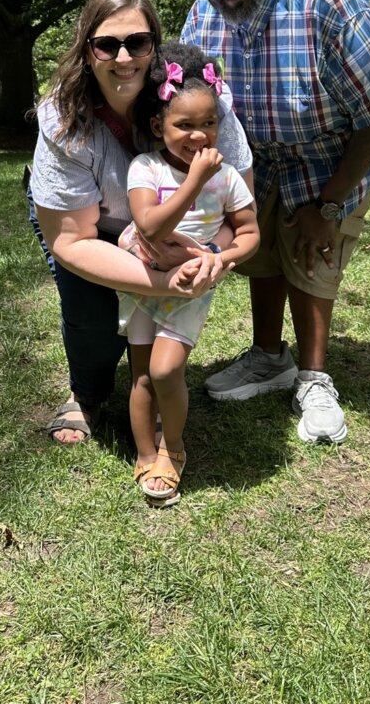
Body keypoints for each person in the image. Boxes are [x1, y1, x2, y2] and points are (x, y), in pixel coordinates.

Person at [181, 0, 370, 444]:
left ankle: (314, 378)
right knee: (261, 251)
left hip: (331, 151)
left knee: (313, 257)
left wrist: (330, 205)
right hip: (256, 154)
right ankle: (269, 357)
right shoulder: (203, 11)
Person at [29, 0, 254, 445]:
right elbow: (71, 240)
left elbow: (240, 205)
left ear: (155, 45)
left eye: (137, 42)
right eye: (106, 45)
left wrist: (210, 255)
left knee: (152, 324)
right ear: (87, 51)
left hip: (182, 236)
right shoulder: (63, 118)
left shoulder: (200, 101)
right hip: (92, 227)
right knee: (93, 316)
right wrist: (163, 282)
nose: (123, 57)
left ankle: (151, 395)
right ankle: (86, 393)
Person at [117, 42, 260, 505]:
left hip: (191, 285)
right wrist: (195, 181)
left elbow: (250, 233)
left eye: (209, 124)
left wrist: (222, 258)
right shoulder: (146, 167)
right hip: (143, 282)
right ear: (158, 126)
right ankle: (146, 451)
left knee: (166, 369)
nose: (199, 136)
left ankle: (172, 446)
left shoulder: (228, 177)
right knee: (142, 374)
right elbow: (150, 225)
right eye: (184, 125)